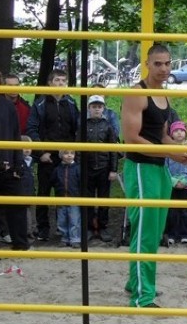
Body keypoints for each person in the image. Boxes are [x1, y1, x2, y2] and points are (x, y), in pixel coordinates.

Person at [122, 44, 187, 308]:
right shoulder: (136, 95)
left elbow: (162, 135)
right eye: (158, 64)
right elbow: (131, 138)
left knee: (154, 229)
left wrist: (181, 152)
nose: (164, 69)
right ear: (147, 64)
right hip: (141, 168)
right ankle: (142, 296)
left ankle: (135, 284)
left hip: (159, 167)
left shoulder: (163, 95)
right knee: (145, 232)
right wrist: (170, 153)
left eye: (167, 64)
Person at [26, 68, 80, 242]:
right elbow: (32, 129)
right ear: (49, 83)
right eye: (57, 80)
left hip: (66, 157)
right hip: (47, 157)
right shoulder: (40, 104)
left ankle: (63, 229)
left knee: (66, 192)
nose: (60, 84)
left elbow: (76, 129)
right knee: (44, 192)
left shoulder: (71, 103)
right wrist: (41, 152)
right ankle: (43, 229)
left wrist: (72, 152)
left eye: (63, 81)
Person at [0, 65, 30, 254]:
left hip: (10, 162)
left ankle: (20, 243)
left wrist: (18, 162)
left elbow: (15, 135)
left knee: (17, 204)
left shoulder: (7, 106)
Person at [84, 95, 119, 242]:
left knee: (104, 200)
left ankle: (103, 227)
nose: (97, 109)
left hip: (104, 168)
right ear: (89, 108)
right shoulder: (83, 125)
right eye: (94, 106)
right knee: (88, 200)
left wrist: (113, 169)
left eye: (99, 106)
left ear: (103, 108)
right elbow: (78, 148)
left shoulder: (108, 126)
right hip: (88, 167)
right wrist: (80, 167)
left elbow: (113, 150)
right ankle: (90, 228)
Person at [164, 121, 187, 246]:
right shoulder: (169, 150)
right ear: (171, 134)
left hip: (186, 185)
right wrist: (173, 181)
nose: (179, 133)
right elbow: (165, 167)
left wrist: (185, 181)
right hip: (171, 184)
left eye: (181, 130)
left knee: (184, 210)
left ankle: (184, 234)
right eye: (176, 131)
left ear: (185, 133)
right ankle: (172, 234)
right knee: (171, 211)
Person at [51, 149, 82, 248]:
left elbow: (81, 183)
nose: (69, 155)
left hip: (74, 199)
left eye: (72, 153)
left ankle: (75, 239)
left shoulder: (78, 168)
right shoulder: (57, 169)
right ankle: (64, 238)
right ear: (61, 156)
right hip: (61, 199)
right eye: (66, 153)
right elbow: (53, 181)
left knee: (74, 220)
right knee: (62, 221)